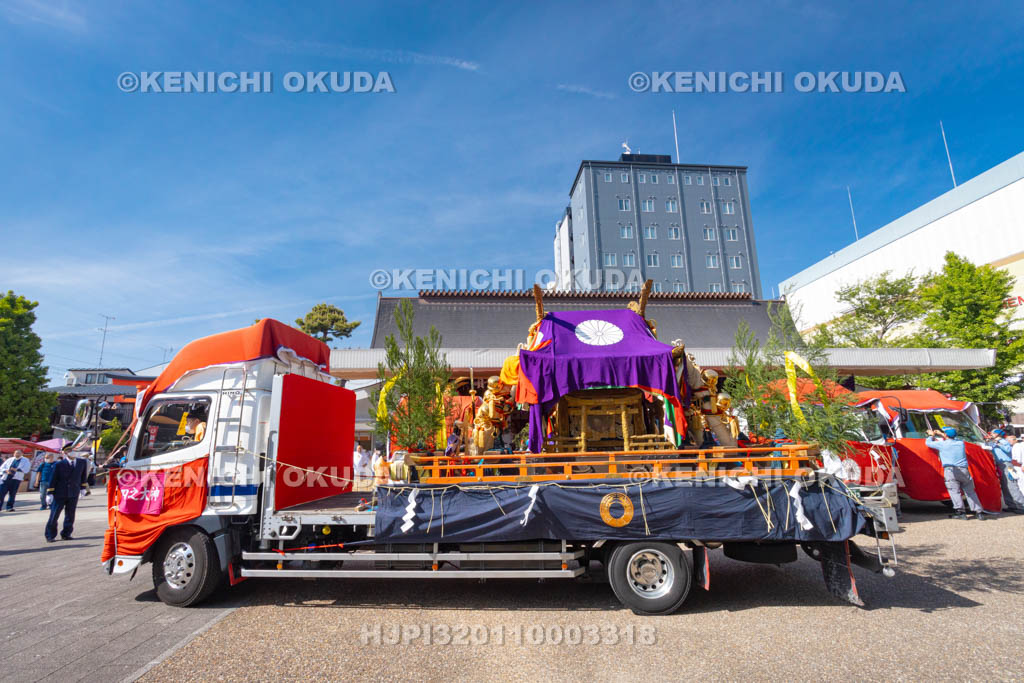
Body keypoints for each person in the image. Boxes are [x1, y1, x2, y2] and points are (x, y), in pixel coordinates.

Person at [926, 427, 986, 520]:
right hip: (964, 470)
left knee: (954, 491)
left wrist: (931, 435)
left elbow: (928, 443)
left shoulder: (942, 444)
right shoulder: (960, 443)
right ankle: (978, 512)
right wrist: (943, 434)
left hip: (951, 470)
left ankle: (960, 512)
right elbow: (954, 438)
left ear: (946, 435)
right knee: (970, 491)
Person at [45, 452, 89, 542]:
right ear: (65, 453)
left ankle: (66, 533)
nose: (74, 453)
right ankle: (50, 535)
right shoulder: (59, 464)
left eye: (75, 451)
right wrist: (50, 492)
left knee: (70, 514)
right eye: (71, 451)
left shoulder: (82, 462)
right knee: (55, 514)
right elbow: (53, 478)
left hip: (74, 491)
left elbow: (83, 475)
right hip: (59, 492)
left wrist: (83, 487)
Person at [989, 429, 1024, 513]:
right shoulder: (993, 442)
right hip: (999, 464)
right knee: (1005, 486)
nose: (991, 435)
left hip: (1007, 464)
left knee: (1012, 485)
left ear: (998, 434)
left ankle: (1021, 506)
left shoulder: (1003, 441)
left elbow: (1008, 449)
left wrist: (998, 443)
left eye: (993, 433)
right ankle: (1011, 505)